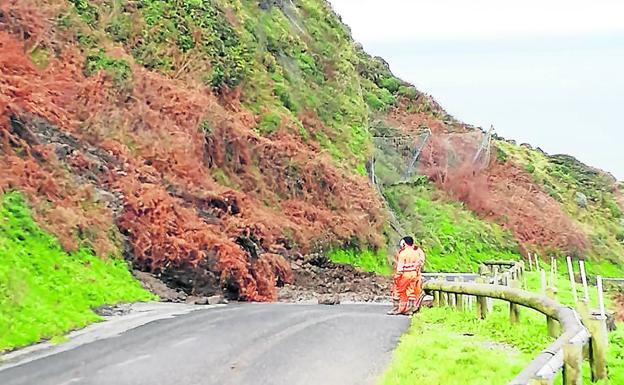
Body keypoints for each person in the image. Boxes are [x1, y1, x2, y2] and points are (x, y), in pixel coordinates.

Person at [387, 236, 426, 315]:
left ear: (404, 243)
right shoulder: (416, 253)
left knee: (398, 291)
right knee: (411, 291)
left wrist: (397, 277)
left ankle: (396, 309)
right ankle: (410, 310)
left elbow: (400, 267)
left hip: (405, 274)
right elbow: (419, 264)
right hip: (414, 274)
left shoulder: (403, 253)